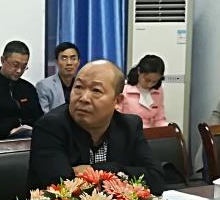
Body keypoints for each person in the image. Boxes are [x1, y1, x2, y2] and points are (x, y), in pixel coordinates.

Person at [28, 60, 166, 193]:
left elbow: (156, 178)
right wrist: (120, 175)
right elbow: (58, 185)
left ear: (117, 101)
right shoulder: (50, 126)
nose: (84, 98)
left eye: (96, 90)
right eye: (78, 87)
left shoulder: (129, 126)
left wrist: (97, 170)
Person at [119, 54, 167, 128]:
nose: (150, 84)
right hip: (128, 131)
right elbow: (116, 118)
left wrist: (168, 127)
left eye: (154, 81)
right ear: (139, 71)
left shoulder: (158, 91)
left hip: (150, 132)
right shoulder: (124, 88)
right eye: (147, 80)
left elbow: (159, 119)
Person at [36, 41, 81, 112]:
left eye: (73, 58)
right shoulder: (44, 86)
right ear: (56, 62)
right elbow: (45, 116)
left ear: (78, 62)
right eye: (64, 58)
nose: (69, 63)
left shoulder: (83, 86)